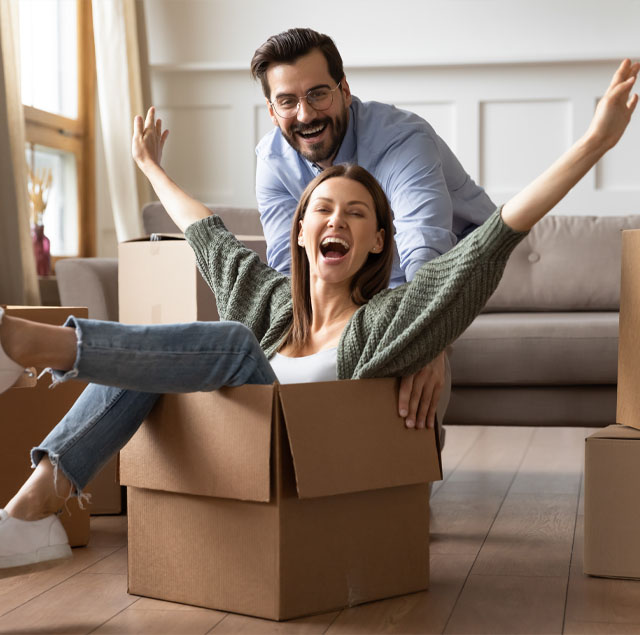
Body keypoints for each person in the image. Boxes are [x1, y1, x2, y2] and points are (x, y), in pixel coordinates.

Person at [0, 58, 636, 578]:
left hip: (304, 474)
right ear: (298, 231)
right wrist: (149, 167)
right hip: (233, 463)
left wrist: (595, 143)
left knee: (227, 344)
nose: (338, 221)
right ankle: (31, 512)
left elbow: (495, 235)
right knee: (152, 353)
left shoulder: (387, 321)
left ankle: (24, 343)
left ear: (379, 242)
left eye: (358, 214)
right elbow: (205, 233)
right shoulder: (272, 302)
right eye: (323, 210)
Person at [251, 28, 496, 428]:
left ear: (344, 89)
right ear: (272, 109)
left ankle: (414, 450)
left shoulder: (401, 139)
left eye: (318, 94)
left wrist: (428, 345)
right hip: (356, 276)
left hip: (454, 260)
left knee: (412, 364)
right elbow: (288, 266)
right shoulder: (272, 159)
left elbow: (425, 250)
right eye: (288, 101)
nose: (306, 114)